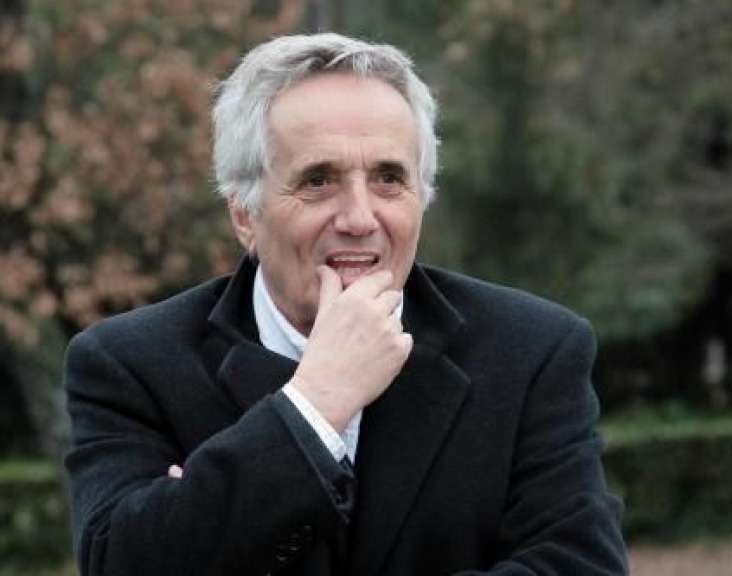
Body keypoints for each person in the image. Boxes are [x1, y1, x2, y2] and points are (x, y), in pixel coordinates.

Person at [63, 32, 628, 575]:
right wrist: (314, 404)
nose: (359, 218)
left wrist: (208, 510)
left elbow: (580, 566)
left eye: (389, 178)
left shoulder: (531, 352)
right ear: (244, 215)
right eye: (318, 181)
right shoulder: (129, 364)